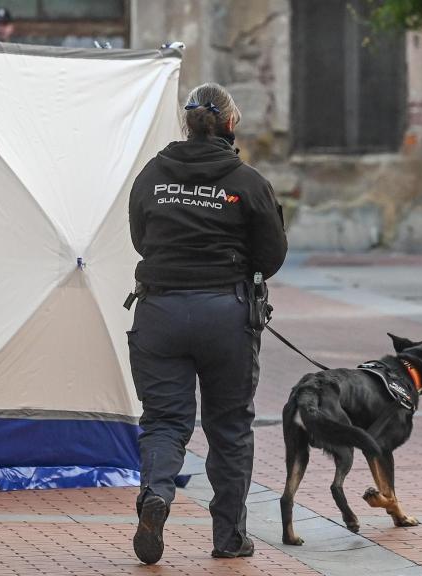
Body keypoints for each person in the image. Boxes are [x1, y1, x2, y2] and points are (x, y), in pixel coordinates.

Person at [126, 82, 287, 564]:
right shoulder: (247, 181)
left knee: (164, 420)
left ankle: (156, 493)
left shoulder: (152, 176)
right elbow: (272, 254)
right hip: (226, 315)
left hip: (159, 312)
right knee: (230, 427)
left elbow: (140, 237)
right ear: (231, 124)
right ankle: (229, 537)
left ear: (186, 125)